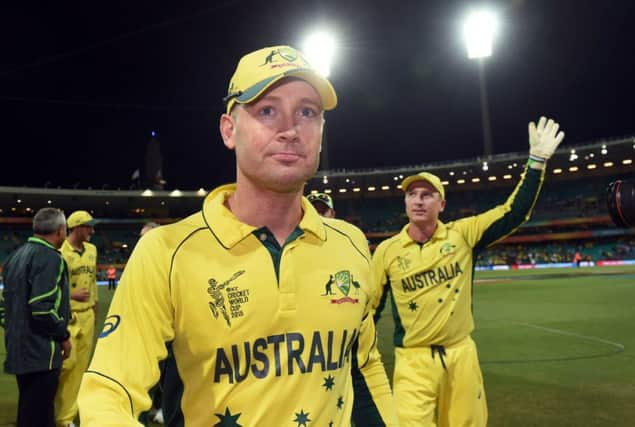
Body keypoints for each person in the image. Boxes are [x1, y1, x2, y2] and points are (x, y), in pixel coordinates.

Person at [78, 45, 397, 426]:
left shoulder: (351, 244)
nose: (290, 129)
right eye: (267, 111)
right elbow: (108, 394)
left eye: (307, 112)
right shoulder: (166, 253)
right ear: (229, 130)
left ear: (322, 131)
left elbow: (362, 367)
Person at [371, 116, 565, 427]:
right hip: (412, 360)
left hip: (460, 355)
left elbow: (513, 212)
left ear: (442, 204)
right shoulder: (387, 251)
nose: (418, 201)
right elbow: (371, 308)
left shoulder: (463, 235)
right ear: (405, 202)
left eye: (427, 195)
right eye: (412, 195)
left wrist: (537, 162)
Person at [2, 208, 71, 427]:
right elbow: (42, 309)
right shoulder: (51, 258)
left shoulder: (14, 257)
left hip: (18, 348)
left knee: (29, 411)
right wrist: (63, 335)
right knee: (40, 414)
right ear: (60, 231)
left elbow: (5, 307)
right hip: (42, 352)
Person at [55, 210, 98, 427]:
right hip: (68, 316)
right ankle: (50, 409)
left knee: (80, 369)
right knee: (64, 366)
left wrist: (96, 310)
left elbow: (93, 283)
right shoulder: (60, 252)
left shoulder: (92, 250)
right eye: (88, 226)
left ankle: (66, 418)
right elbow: (51, 287)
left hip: (88, 316)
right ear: (77, 227)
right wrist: (72, 295)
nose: (92, 230)